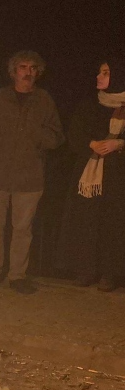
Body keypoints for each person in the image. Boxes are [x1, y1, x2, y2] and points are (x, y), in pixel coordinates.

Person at [0, 51, 64, 294]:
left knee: (22, 230)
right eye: (23, 67)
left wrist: (36, 135)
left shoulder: (44, 99)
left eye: (33, 68)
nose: (28, 72)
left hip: (29, 176)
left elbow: (57, 137)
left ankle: (17, 276)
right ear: (13, 72)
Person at [55, 58, 125, 291]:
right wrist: (91, 143)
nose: (99, 76)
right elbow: (74, 133)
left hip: (118, 176)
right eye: (99, 72)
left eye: (105, 72)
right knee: (86, 222)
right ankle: (85, 269)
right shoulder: (90, 104)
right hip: (89, 173)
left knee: (112, 224)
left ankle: (110, 273)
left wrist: (119, 144)